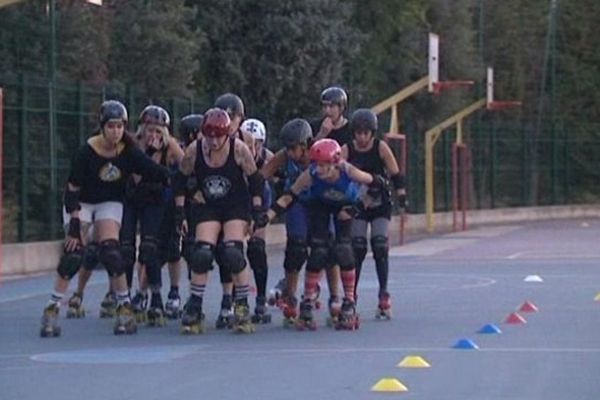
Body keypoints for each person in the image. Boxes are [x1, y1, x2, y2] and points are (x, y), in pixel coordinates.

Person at [39, 100, 170, 337]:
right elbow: (71, 190)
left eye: (120, 126)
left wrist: (183, 178)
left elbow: (154, 170)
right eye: (111, 126)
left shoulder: (127, 151)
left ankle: (124, 307)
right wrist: (75, 226)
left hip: (109, 203)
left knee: (111, 251)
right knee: (74, 253)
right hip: (81, 203)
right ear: (102, 127)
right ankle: (52, 307)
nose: (116, 131)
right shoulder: (87, 152)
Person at [256, 138, 386, 330]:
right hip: (320, 205)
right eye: (316, 165)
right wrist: (267, 216)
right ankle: (307, 300)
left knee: (343, 250)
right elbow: (289, 196)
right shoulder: (311, 174)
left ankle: (349, 300)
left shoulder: (348, 171)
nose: (319, 170)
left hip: (345, 206)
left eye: (324, 166)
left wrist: (356, 209)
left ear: (334, 164)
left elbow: (379, 185)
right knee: (318, 251)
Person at [174, 108, 265, 334]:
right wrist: (181, 212)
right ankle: (195, 304)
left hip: (236, 205)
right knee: (202, 253)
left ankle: (241, 305)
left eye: (218, 136)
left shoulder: (239, 149)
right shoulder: (195, 150)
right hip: (208, 205)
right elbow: (179, 180)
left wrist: (256, 211)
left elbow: (255, 180)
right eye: (209, 135)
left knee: (233, 253)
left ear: (227, 134)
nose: (214, 141)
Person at [121, 105, 184, 326]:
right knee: (126, 249)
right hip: (131, 199)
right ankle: (125, 297)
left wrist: (180, 211)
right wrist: (146, 154)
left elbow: (186, 173)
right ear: (142, 129)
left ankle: (156, 297)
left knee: (150, 248)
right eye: (150, 130)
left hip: (156, 202)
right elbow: (135, 176)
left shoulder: (171, 149)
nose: (153, 136)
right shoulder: (132, 146)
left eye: (159, 132)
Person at [341, 109, 406, 319]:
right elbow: (336, 172)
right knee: (357, 247)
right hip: (357, 204)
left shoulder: (381, 148)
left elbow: (396, 175)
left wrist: (403, 201)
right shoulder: (347, 150)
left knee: (379, 244)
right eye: (358, 133)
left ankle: (383, 293)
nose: (361, 137)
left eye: (365, 133)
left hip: (380, 203)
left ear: (372, 133)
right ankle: (351, 295)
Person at [259, 118, 313, 326]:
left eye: (294, 148)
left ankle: (330, 295)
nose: (290, 153)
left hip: (320, 203)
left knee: (325, 250)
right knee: (296, 249)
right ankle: (290, 295)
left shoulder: (316, 155)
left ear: (305, 144)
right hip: (294, 202)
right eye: (287, 148)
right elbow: (262, 175)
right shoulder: (285, 156)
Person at [162, 113, 204, 319]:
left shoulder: (207, 149)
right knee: (171, 247)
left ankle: (192, 295)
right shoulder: (178, 149)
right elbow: (180, 171)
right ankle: (173, 290)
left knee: (193, 251)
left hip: (195, 205)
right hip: (177, 202)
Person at [240, 118, 274, 323]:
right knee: (232, 252)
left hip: (261, 201)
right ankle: (234, 299)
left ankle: (260, 299)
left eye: (258, 144)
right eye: (248, 144)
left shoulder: (269, 159)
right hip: (236, 202)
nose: (253, 149)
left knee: (256, 249)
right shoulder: (233, 153)